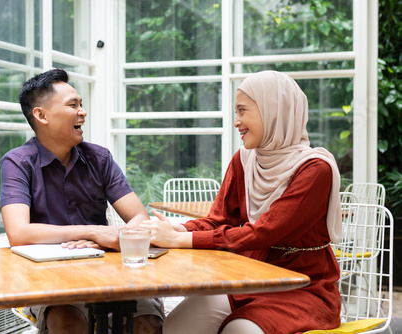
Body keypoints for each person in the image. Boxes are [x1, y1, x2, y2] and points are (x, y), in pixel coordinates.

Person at [140, 70, 342, 334]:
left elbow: (265, 232)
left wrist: (180, 240)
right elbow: (219, 220)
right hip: (246, 277)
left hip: (302, 287)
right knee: (178, 326)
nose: (236, 121)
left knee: (240, 331)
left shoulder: (315, 169)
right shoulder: (244, 160)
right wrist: (177, 230)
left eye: (242, 110)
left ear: (273, 110)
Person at [0, 68, 164, 334]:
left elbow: (140, 220)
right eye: (72, 105)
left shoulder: (99, 158)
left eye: (82, 105)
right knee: (66, 325)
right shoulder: (18, 162)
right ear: (41, 115)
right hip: (51, 276)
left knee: (147, 325)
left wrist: (103, 241)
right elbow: (18, 233)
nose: (82, 112)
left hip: (111, 271)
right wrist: (93, 232)